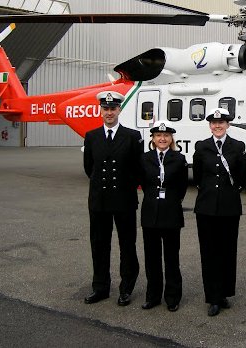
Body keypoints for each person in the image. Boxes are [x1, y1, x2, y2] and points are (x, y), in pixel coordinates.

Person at [83, 91, 143, 306]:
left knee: (127, 245)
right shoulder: (91, 136)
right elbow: (90, 168)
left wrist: (125, 187)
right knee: (99, 245)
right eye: (105, 109)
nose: (109, 112)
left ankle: (126, 288)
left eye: (113, 108)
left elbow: (137, 168)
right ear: (101, 110)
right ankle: (100, 288)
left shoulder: (132, 136)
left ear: (119, 110)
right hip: (99, 201)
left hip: (124, 200)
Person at [193, 108, 246, 317]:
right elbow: (198, 176)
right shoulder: (202, 146)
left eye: (221, 122)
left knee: (227, 251)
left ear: (228, 125)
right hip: (206, 207)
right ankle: (213, 298)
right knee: (209, 252)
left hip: (229, 207)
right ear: (210, 125)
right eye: (214, 123)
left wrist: (229, 193)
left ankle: (224, 293)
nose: (217, 126)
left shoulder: (237, 146)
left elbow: (241, 176)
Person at [139, 120, 188, 312]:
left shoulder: (179, 158)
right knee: (151, 258)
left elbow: (182, 186)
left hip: (171, 214)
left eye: (166, 136)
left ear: (171, 138)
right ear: (152, 138)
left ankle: (172, 297)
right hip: (150, 212)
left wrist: (171, 201)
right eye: (158, 135)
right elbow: (143, 182)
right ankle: (153, 296)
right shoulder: (145, 158)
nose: (162, 138)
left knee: (171, 257)